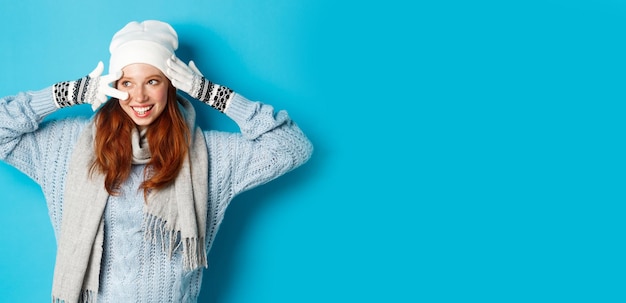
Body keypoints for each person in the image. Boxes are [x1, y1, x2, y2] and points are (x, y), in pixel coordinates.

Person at [0, 20, 313, 302]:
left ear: (171, 85)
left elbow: (291, 147)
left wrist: (212, 93)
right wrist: (64, 94)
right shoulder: (67, 146)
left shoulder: (209, 156)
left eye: (152, 81)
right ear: (113, 87)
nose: (139, 96)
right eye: (126, 83)